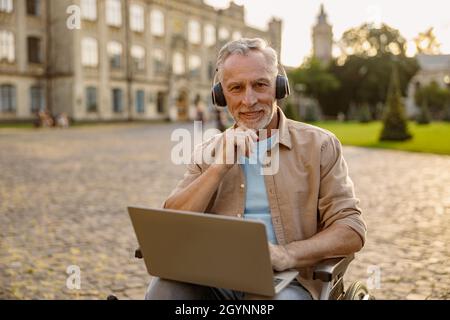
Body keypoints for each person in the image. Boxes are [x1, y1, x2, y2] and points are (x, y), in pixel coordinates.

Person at [146, 38, 366, 300]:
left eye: (260, 85)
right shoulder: (208, 152)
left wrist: (288, 254)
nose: (248, 100)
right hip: (215, 278)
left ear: (279, 87)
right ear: (220, 95)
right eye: (236, 88)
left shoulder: (320, 146)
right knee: (163, 291)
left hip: (290, 282)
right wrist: (218, 168)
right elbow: (171, 226)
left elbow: (351, 228)